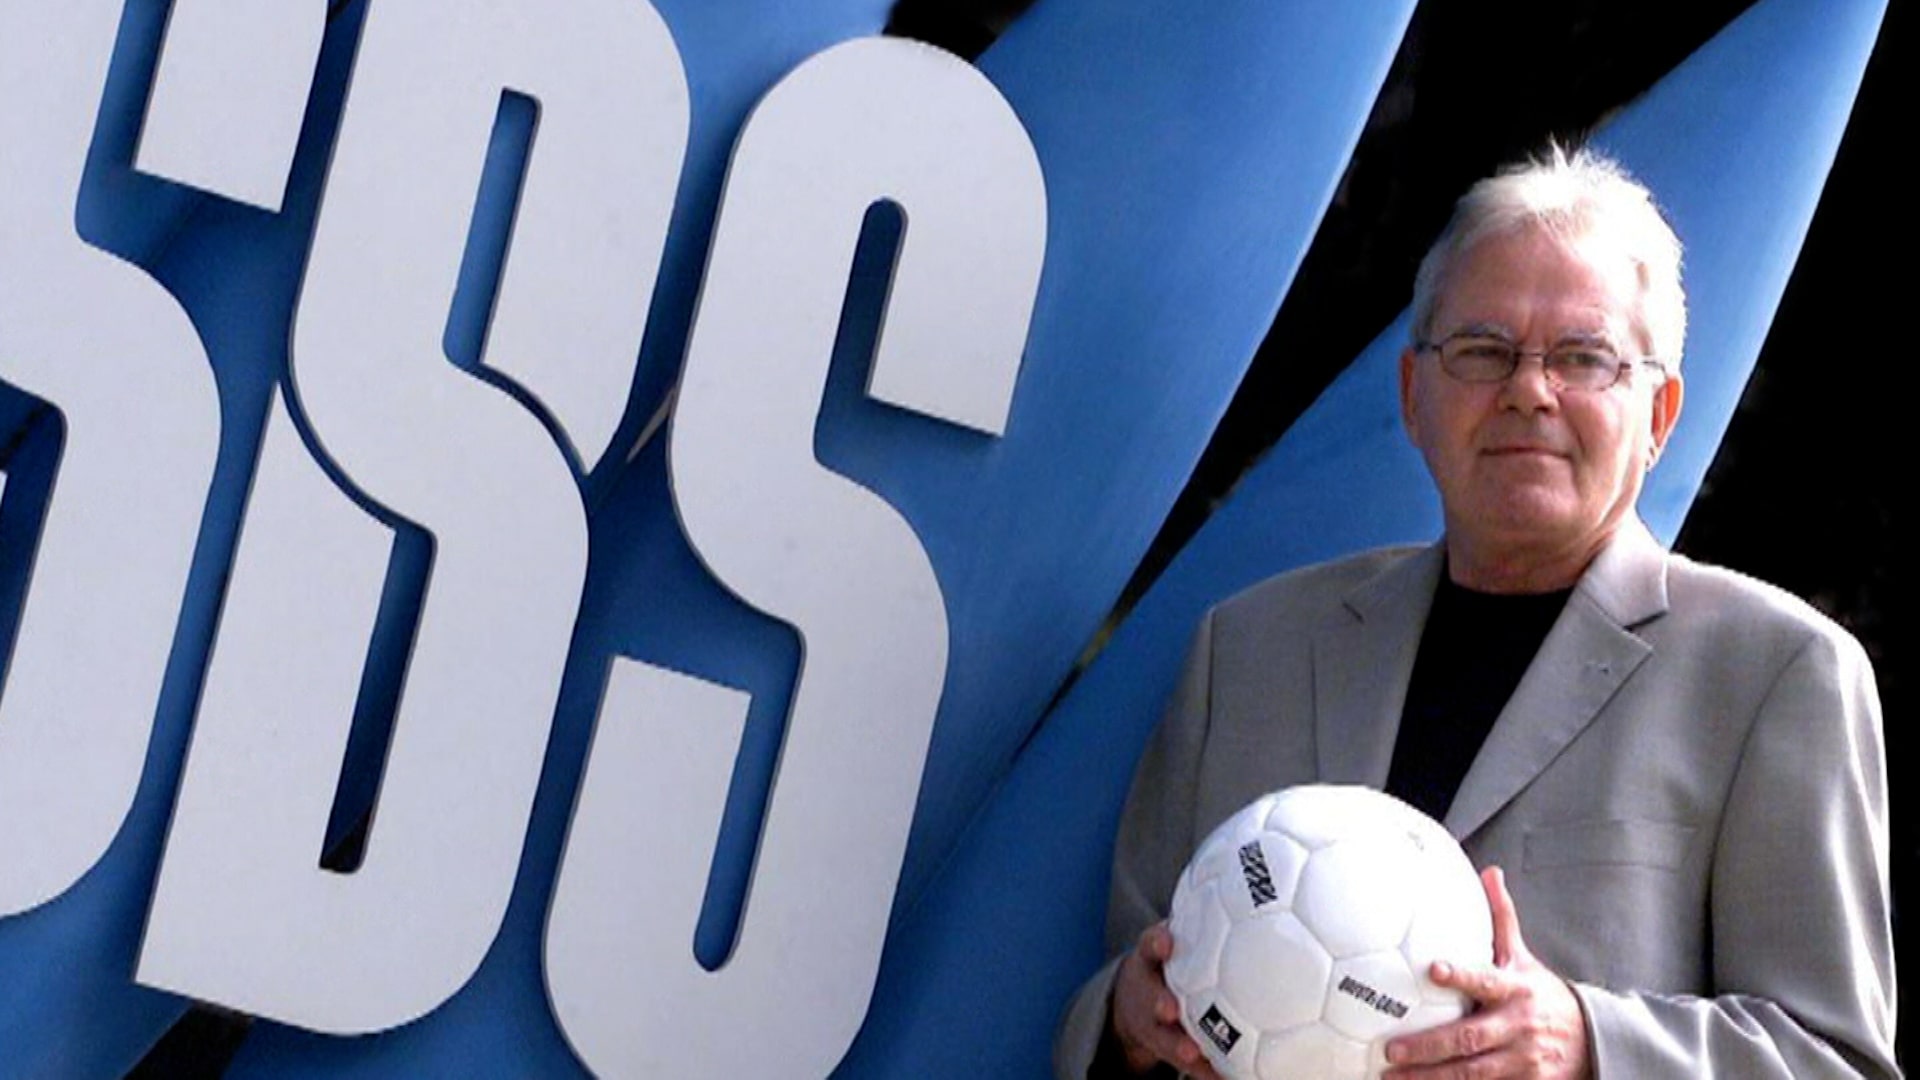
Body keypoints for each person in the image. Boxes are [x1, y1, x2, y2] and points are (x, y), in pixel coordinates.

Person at [1054, 146, 1899, 1079]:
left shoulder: (1776, 675)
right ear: (1417, 398)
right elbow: (1119, 987)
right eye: (1483, 350)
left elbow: (1835, 1060)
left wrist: (1587, 1044)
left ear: (1659, 416)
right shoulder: (1247, 649)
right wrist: (1128, 1022)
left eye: (1584, 358)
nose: (1529, 390)